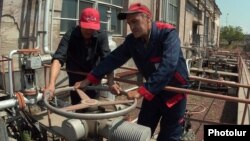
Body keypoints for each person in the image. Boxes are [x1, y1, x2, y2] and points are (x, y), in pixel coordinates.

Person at [74, 3, 189, 141]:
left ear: (148, 18)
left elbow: (168, 66)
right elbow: (113, 59)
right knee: (139, 131)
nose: (132, 27)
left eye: (135, 21)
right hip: (153, 92)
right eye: (129, 23)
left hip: (174, 94)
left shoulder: (168, 34)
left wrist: (141, 91)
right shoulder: (132, 41)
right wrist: (90, 79)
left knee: (170, 136)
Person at [45, 7, 113, 105]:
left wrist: (111, 82)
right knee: (77, 106)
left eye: (92, 28)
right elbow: (58, 58)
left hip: (93, 77)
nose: (89, 31)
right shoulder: (71, 34)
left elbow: (107, 60)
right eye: (86, 27)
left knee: (93, 107)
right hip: (75, 79)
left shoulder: (101, 35)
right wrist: (51, 85)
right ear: (79, 23)